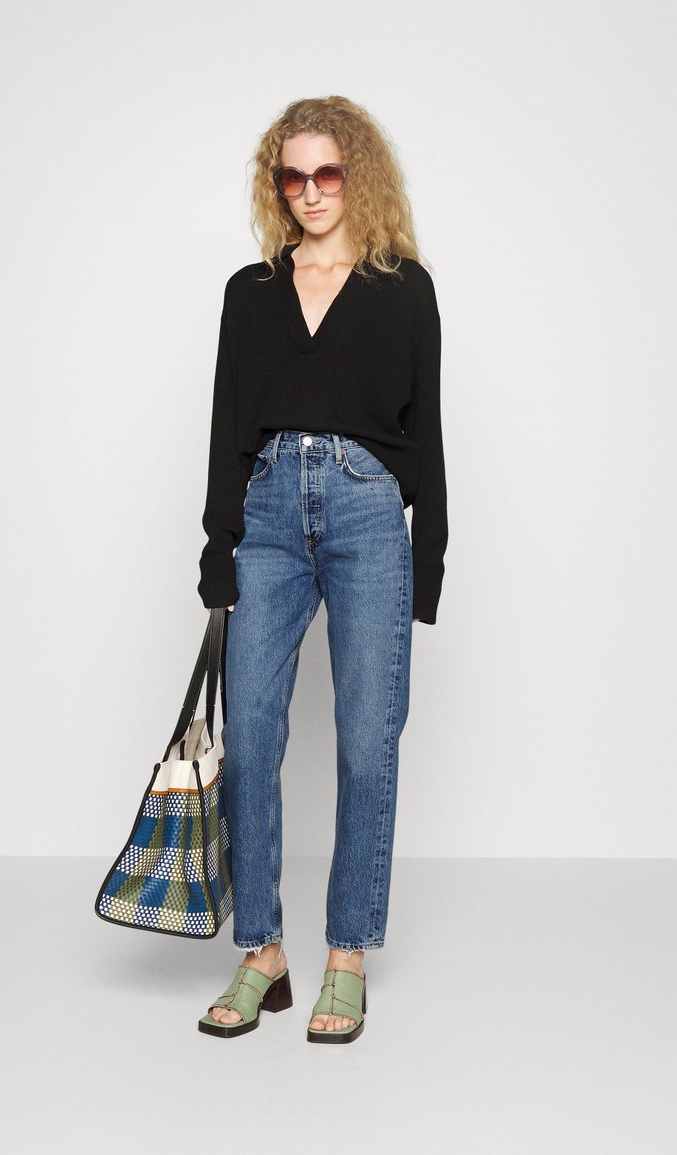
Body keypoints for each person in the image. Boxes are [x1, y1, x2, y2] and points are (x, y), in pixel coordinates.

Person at [195, 95, 448, 1043]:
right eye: (292, 175)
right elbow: (226, 426)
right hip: (266, 512)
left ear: (358, 176)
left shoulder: (404, 288)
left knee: (365, 737)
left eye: (327, 172)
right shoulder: (250, 291)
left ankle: (347, 954)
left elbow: (430, 430)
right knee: (252, 733)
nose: (309, 191)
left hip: (368, 511)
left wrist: (429, 559)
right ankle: (262, 949)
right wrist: (218, 543)